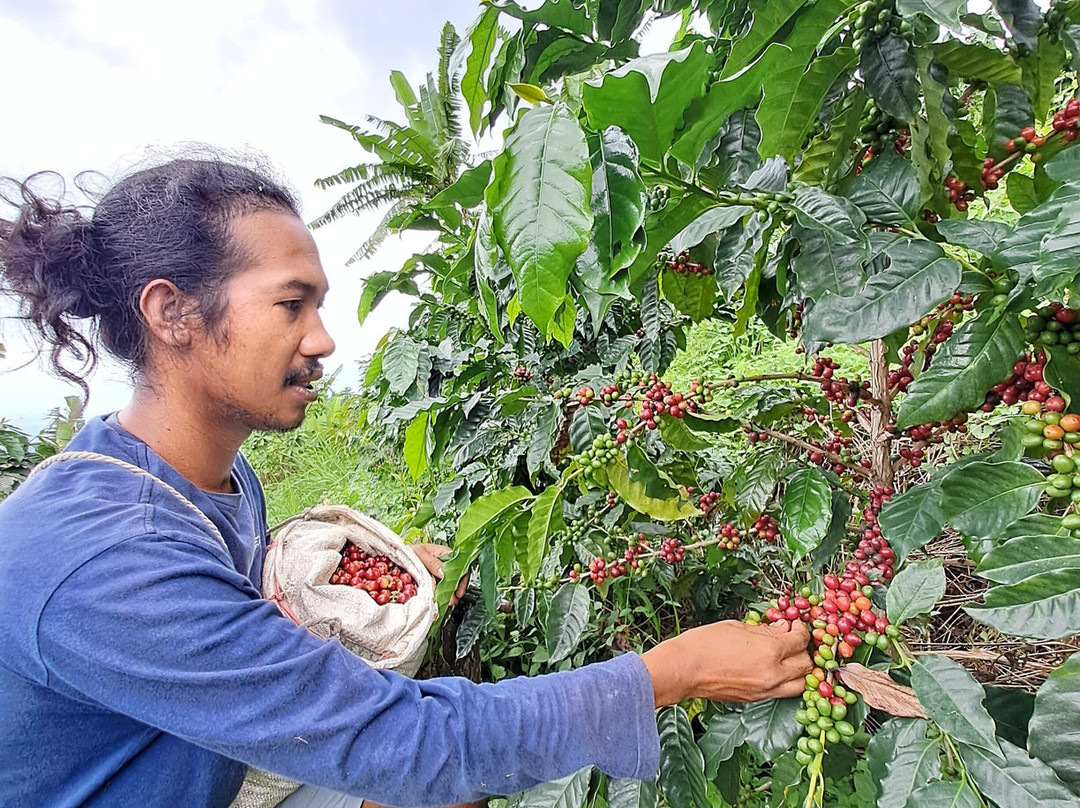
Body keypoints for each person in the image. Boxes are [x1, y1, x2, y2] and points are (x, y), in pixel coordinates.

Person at [0, 158, 812, 808]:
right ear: (171, 313)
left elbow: (216, 596)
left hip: (196, 769)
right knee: (436, 769)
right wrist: (671, 673)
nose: (321, 339)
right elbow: (415, 744)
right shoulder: (104, 557)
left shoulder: (212, 478)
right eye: (291, 304)